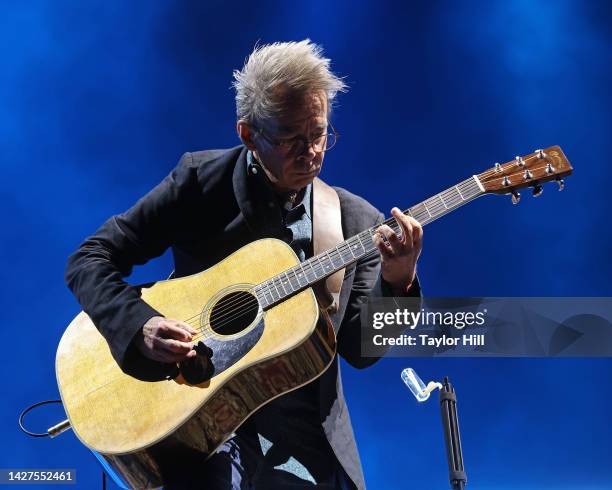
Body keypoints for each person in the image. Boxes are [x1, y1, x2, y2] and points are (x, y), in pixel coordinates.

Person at [65, 40, 423, 489]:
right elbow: (89, 259)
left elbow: (361, 351)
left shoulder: (355, 221)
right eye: (292, 139)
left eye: (319, 134)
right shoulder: (200, 181)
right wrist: (139, 326)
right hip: (201, 431)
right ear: (249, 134)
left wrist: (399, 279)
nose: (311, 151)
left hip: (306, 446)